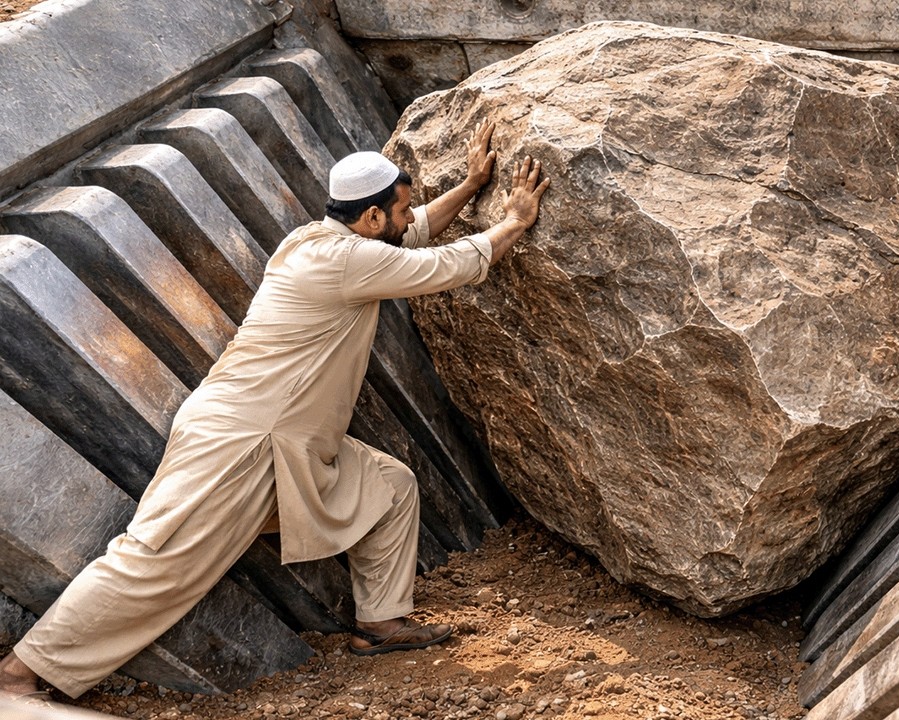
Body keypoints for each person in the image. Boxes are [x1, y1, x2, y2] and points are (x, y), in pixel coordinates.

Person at [0, 118, 549, 704]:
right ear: (370, 218)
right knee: (154, 561)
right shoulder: (347, 263)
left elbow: (409, 240)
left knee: (390, 485)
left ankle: (381, 625)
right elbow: (443, 265)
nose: (410, 217)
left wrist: (469, 187)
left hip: (285, 443)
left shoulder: (321, 240)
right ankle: (19, 671)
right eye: (402, 208)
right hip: (242, 441)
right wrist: (513, 220)